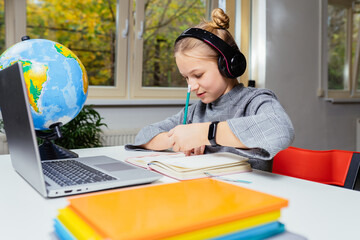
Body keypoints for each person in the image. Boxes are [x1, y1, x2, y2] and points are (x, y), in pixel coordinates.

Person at [126, 8, 294, 171]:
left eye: (198, 75)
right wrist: (178, 139)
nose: (191, 86)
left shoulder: (255, 101)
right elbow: (143, 136)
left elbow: (280, 129)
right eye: (186, 78)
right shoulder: (195, 112)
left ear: (227, 65)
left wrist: (206, 133)